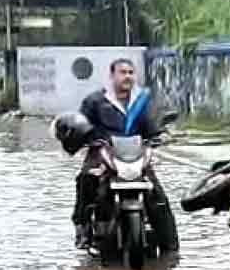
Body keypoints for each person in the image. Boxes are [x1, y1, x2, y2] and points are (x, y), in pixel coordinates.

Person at [72, 58, 179, 253]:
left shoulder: (141, 102)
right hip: (102, 154)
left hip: (135, 156)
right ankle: (83, 230)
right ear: (112, 75)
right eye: (123, 72)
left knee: (156, 193)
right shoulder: (95, 101)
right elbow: (81, 126)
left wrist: (160, 136)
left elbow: (152, 129)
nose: (128, 76)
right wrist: (84, 138)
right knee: (86, 180)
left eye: (131, 72)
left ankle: (169, 244)